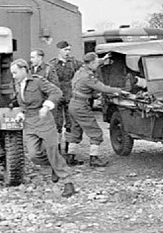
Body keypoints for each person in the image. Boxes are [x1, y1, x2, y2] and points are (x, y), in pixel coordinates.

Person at [10, 58, 76, 197]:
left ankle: (68, 183)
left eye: (15, 72)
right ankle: (54, 165)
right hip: (29, 122)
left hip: (44, 119)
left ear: (23, 69)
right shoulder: (17, 84)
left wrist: (46, 106)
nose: (13, 76)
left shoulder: (37, 81)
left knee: (52, 151)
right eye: (12, 73)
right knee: (34, 155)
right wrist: (21, 113)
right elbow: (23, 104)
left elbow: (56, 92)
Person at [66, 52, 125, 167]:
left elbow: (94, 63)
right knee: (96, 133)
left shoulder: (80, 71)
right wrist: (119, 91)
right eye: (96, 62)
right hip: (81, 106)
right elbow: (102, 88)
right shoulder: (88, 77)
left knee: (76, 131)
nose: (98, 65)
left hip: (73, 104)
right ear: (91, 63)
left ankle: (70, 157)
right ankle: (94, 158)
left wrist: (104, 59)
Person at [48, 41, 82, 154]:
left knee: (70, 123)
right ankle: (57, 150)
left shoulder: (73, 63)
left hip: (69, 97)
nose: (67, 52)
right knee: (56, 123)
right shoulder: (52, 64)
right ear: (59, 50)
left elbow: (86, 66)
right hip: (56, 97)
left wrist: (101, 61)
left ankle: (68, 151)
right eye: (65, 50)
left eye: (69, 50)